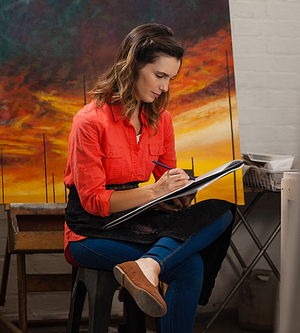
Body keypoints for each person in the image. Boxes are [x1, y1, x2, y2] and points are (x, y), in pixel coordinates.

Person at [63, 23, 235, 333]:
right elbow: (93, 201)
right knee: (189, 265)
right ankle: (150, 264)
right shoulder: (89, 121)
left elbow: (167, 176)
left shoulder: (162, 119)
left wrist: (181, 193)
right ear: (132, 67)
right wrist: (157, 192)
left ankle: (148, 264)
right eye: (160, 76)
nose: (165, 87)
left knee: (222, 209)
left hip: (140, 220)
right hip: (89, 231)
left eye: (171, 79)